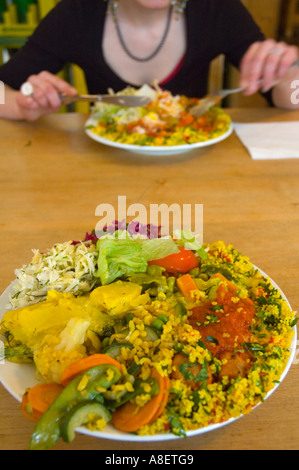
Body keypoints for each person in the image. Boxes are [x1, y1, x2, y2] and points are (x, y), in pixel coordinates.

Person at [0, 0, 298, 121]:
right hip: (98, 178)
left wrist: (290, 71)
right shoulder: (77, 13)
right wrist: (22, 105)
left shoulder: (217, 9)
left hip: (200, 176)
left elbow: (288, 95)